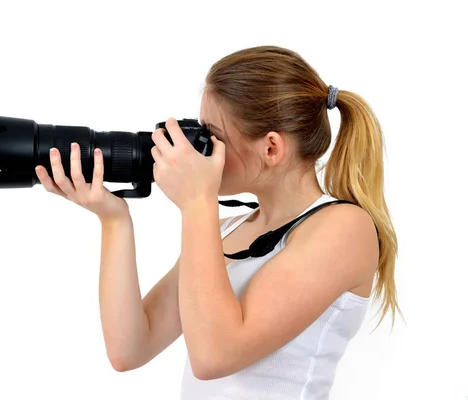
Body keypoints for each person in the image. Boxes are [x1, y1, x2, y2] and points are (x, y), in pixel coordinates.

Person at [34, 45, 401, 399]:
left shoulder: (344, 227)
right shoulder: (228, 229)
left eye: (214, 135)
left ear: (271, 148)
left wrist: (197, 203)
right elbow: (130, 348)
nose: (199, 148)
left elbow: (213, 356)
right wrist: (114, 221)